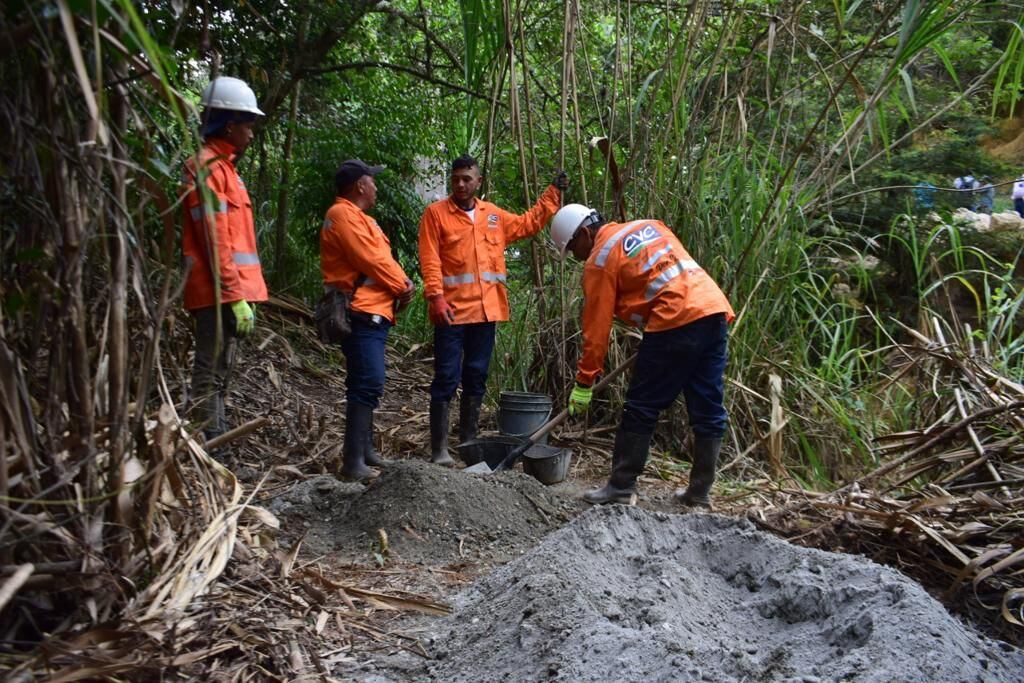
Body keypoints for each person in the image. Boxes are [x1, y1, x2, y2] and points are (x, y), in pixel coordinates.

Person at [550, 204, 735, 506]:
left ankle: (621, 487)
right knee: (708, 407)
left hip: (674, 318)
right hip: (712, 310)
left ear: (584, 233)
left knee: (641, 406)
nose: (575, 255)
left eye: (572, 248)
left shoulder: (599, 258)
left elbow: (596, 331)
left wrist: (584, 383)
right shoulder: (650, 224)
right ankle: (700, 492)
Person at [418, 155, 568, 465]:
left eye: (466, 179)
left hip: (486, 312)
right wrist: (436, 297)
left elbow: (529, 223)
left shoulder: (493, 216)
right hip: (451, 311)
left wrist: (553, 193)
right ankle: (439, 450)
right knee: (446, 376)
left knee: (476, 376)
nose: (460, 184)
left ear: (478, 182)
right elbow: (430, 259)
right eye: (456, 178)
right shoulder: (435, 215)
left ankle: (468, 445)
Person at [182, 76, 267, 442]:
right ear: (229, 125)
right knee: (209, 372)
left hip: (230, 294)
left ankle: (216, 441)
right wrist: (234, 297)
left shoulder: (226, 170)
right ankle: (210, 448)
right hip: (216, 294)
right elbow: (216, 243)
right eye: (248, 125)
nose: (251, 133)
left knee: (220, 372)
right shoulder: (206, 169)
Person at [321, 160, 415, 481]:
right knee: (368, 381)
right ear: (360, 185)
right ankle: (352, 462)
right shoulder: (342, 216)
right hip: (359, 313)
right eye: (372, 180)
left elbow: (382, 259)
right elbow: (370, 259)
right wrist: (403, 285)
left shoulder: (363, 219)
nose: (376, 185)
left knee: (366, 382)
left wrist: (399, 288)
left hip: (376, 313)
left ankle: (364, 452)